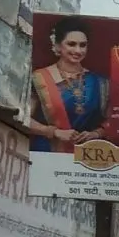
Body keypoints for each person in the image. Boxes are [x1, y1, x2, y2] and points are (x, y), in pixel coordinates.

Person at [29, 21, 107, 152]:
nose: (78, 50)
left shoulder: (99, 82)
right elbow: (23, 118)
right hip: (46, 154)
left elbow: (113, 122)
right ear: (58, 46)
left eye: (83, 45)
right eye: (71, 44)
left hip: (86, 155)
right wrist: (54, 132)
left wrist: (96, 134)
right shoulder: (39, 78)